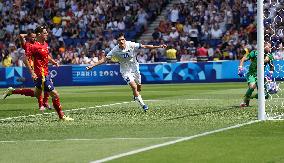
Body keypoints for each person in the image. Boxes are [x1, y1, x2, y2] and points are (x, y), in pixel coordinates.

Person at [3, 26, 73, 121]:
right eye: (45, 33)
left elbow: (46, 55)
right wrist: (32, 72)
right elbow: (24, 59)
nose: (47, 34)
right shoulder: (33, 46)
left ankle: (12, 91)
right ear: (39, 34)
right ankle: (61, 116)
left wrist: (53, 61)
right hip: (41, 75)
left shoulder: (45, 44)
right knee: (55, 94)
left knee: (36, 94)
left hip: (46, 73)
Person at [86, 33, 167, 112]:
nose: (121, 41)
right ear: (117, 42)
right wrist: (92, 65)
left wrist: (159, 46)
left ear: (125, 40)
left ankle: (136, 96)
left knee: (139, 87)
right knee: (134, 87)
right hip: (125, 71)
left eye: (122, 39)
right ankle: (143, 105)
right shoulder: (115, 50)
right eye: (119, 40)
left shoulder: (131, 44)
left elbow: (145, 46)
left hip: (135, 68)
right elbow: (104, 59)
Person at [3, 32, 52, 111]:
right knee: (39, 89)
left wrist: (52, 61)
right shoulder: (27, 45)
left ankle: (44, 102)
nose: (34, 38)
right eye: (32, 37)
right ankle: (41, 105)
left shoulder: (38, 44)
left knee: (48, 85)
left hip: (42, 67)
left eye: (34, 37)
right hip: (34, 69)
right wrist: (28, 35)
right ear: (29, 38)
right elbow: (21, 36)